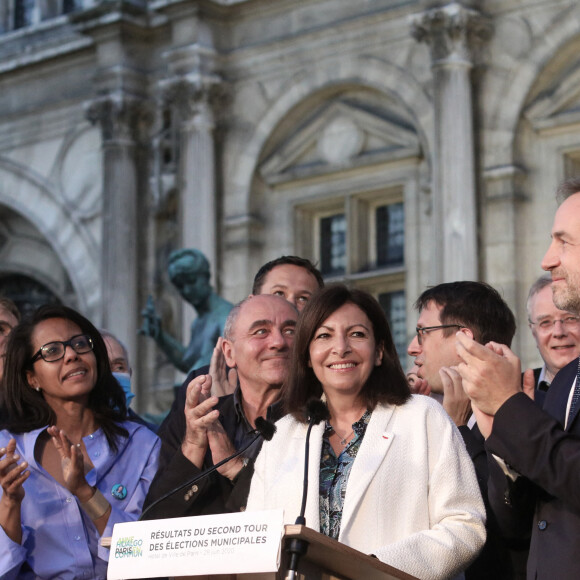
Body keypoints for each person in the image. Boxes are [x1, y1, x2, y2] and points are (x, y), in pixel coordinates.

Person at [247, 285, 486, 580]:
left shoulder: (422, 416)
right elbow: (256, 542)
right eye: (324, 336)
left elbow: (465, 525)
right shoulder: (281, 435)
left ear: (379, 351)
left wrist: (372, 570)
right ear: (307, 355)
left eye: (357, 334)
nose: (341, 348)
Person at [455, 177, 580, 580]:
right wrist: (503, 444)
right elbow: (521, 528)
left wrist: (511, 407)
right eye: (544, 323)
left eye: (564, 242)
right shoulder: (567, 380)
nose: (547, 259)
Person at [0, 305, 160, 580]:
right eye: (52, 351)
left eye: (79, 344)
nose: (72, 355)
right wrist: (11, 503)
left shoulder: (142, 445)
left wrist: (86, 493)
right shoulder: (8, 451)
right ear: (32, 377)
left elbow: (145, 555)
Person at [142, 294, 298, 519]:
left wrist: (238, 468)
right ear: (229, 353)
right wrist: (194, 446)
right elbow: (152, 522)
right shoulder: (204, 418)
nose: (279, 342)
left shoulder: (318, 420)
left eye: (290, 331)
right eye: (261, 331)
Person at [407, 281, 516, 579]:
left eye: (422, 333)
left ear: (462, 340)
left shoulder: (522, 416)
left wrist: (456, 432)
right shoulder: (415, 412)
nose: (412, 348)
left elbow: (504, 523)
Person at [140, 248, 233, 374]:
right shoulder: (198, 323)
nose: (187, 291)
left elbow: (230, 358)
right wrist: (160, 335)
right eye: (180, 286)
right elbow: (189, 363)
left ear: (206, 277)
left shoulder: (226, 315)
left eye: (191, 281)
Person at [526, 273, 580, 391]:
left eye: (570, 319)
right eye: (545, 322)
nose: (558, 332)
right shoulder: (514, 393)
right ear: (533, 333)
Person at [101, 329, 158, 432]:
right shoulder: (68, 438)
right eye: (102, 368)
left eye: (119, 367)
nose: (112, 377)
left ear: (130, 373)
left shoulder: (156, 438)